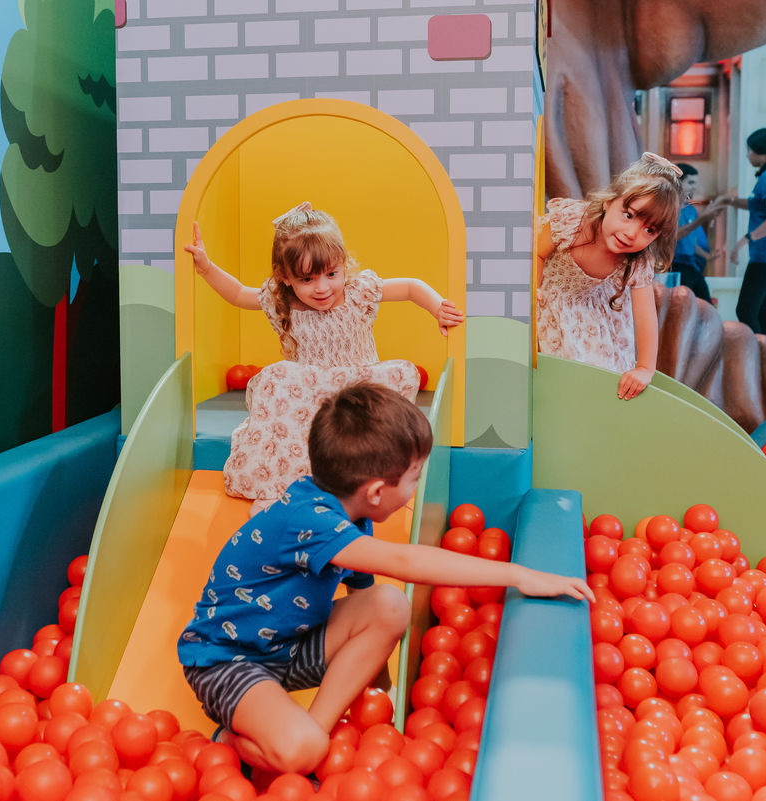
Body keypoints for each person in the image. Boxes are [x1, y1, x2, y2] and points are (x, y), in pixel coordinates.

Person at [177, 383, 594, 775]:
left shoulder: (351, 514)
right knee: (300, 752)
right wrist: (519, 575)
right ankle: (235, 741)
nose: (415, 486)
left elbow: (368, 605)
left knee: (388, 604)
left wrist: (384, 707)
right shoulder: (310, 521)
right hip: (227, 659)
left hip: (290, 647)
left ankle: (316, 730)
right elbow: (404, 561)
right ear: (376, 492)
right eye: (413, 477)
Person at [183, 204, 465, 514]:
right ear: (285, 276)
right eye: (307, 279)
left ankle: (367, 486)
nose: (322, 287)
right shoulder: (283, 302)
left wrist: (438, 306)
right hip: (310, 398)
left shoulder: (359, 293)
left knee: (393, 394)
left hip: (357, 393)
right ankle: (283, 490)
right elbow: (238, 294)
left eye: (332, 274)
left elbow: (411, 287)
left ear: (343, 265)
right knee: (280, 396)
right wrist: (206, 267)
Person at [534, 152, 682, 400]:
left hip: (590, 307)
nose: (632, 233)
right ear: (608, 202)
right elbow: (535, 254)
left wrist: (646, 369)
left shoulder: (637, 261)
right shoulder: (573, 221)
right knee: (558, 373)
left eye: (649, 229)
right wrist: (532, 289)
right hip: (547, 292)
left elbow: (646, 317)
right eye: (629, 215)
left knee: (602, 371)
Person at [718, 129, 766, 340]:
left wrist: (745, 239)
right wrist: (729, 201)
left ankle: (758, 359)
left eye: (749, 151)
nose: (747, 155)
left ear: (761, 152)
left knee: (746, 310)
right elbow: (755, 205)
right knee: (765, 313)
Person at [671, 163, 724, 304]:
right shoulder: (668, 208)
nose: (694, 187)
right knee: (682, 308)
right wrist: (701, 220)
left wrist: (708, 256)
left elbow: (690, 241)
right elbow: (672, 236)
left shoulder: (690, 210)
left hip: (691, 264)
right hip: (675, 265)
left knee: (706, 306)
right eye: (690, 182)